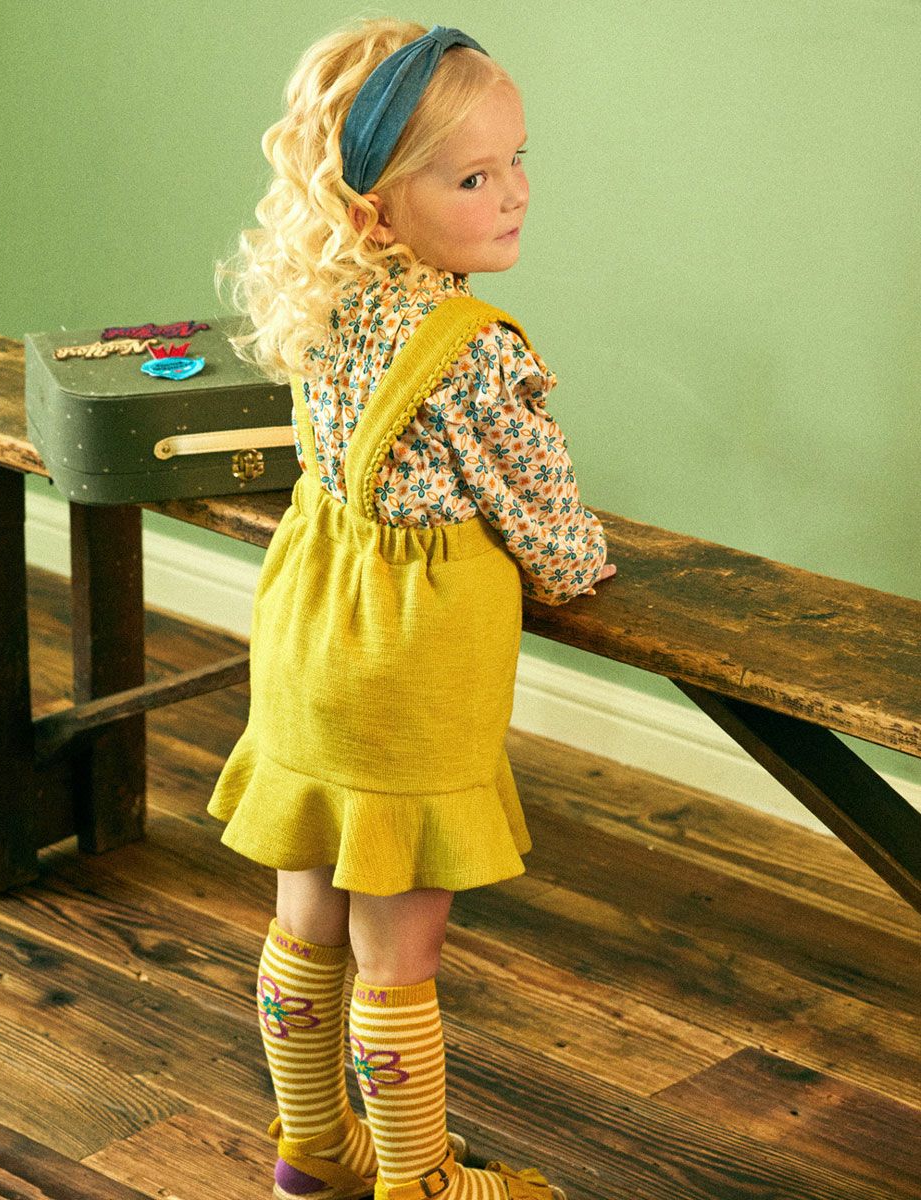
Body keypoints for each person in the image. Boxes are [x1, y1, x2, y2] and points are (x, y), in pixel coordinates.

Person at [208, 18, 615, 1200]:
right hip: (403, 672)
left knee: (306, 912)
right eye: (472, 177)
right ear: (376, 209)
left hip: (307, 638)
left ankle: (311, 1151)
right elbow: (551, 532)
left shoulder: (327, 307)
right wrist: (579, 567)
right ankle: (418, 1178)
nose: (514, 193)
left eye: (516, 161)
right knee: (398, 951)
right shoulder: (470, 351)